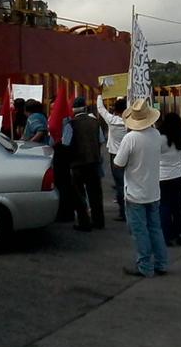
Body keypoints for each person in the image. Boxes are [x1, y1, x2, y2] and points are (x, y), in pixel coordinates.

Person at [113, 98, 167, 278]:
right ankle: (161, 263)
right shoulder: (156, 135)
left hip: (135, 192)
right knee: (155, 228)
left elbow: (118, 163)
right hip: (153, 190)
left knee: (139, 231)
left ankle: (145, 266)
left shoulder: (130, 138)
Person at [64, 97, 105, 231]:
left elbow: (66, 143)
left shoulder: (71, 124)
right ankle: (99, 221)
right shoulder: (95, 122)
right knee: (95, 194)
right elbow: (101, 140)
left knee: (79, 195)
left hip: (77, 164)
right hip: (94, 162)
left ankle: (84, 222)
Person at [158, 111, 181, 246]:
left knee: (164, 206)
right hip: (177, 174)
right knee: (177, 206)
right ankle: (180, 233)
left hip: (163, 175)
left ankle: (167, 235)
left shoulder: (161, 138)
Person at [97, 95, 127, 221]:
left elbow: (100, 108)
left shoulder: (111, 120)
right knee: (129, 183)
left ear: (115, 110)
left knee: (120, 184)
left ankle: (123, 212)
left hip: (115, 155)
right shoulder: (129, 122)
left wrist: (100, 94)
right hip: (129, 153)